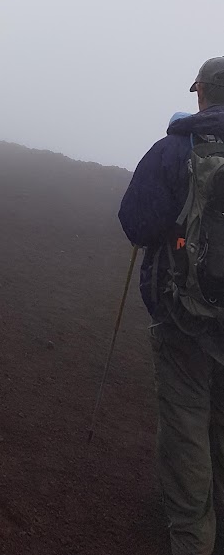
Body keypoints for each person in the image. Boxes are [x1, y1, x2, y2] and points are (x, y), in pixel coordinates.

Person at [120, 57, 224, 555]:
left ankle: (193, 540)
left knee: (186, 428)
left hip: (183, 318)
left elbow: (137, 223)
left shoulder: (173, 150)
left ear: (199, 92)